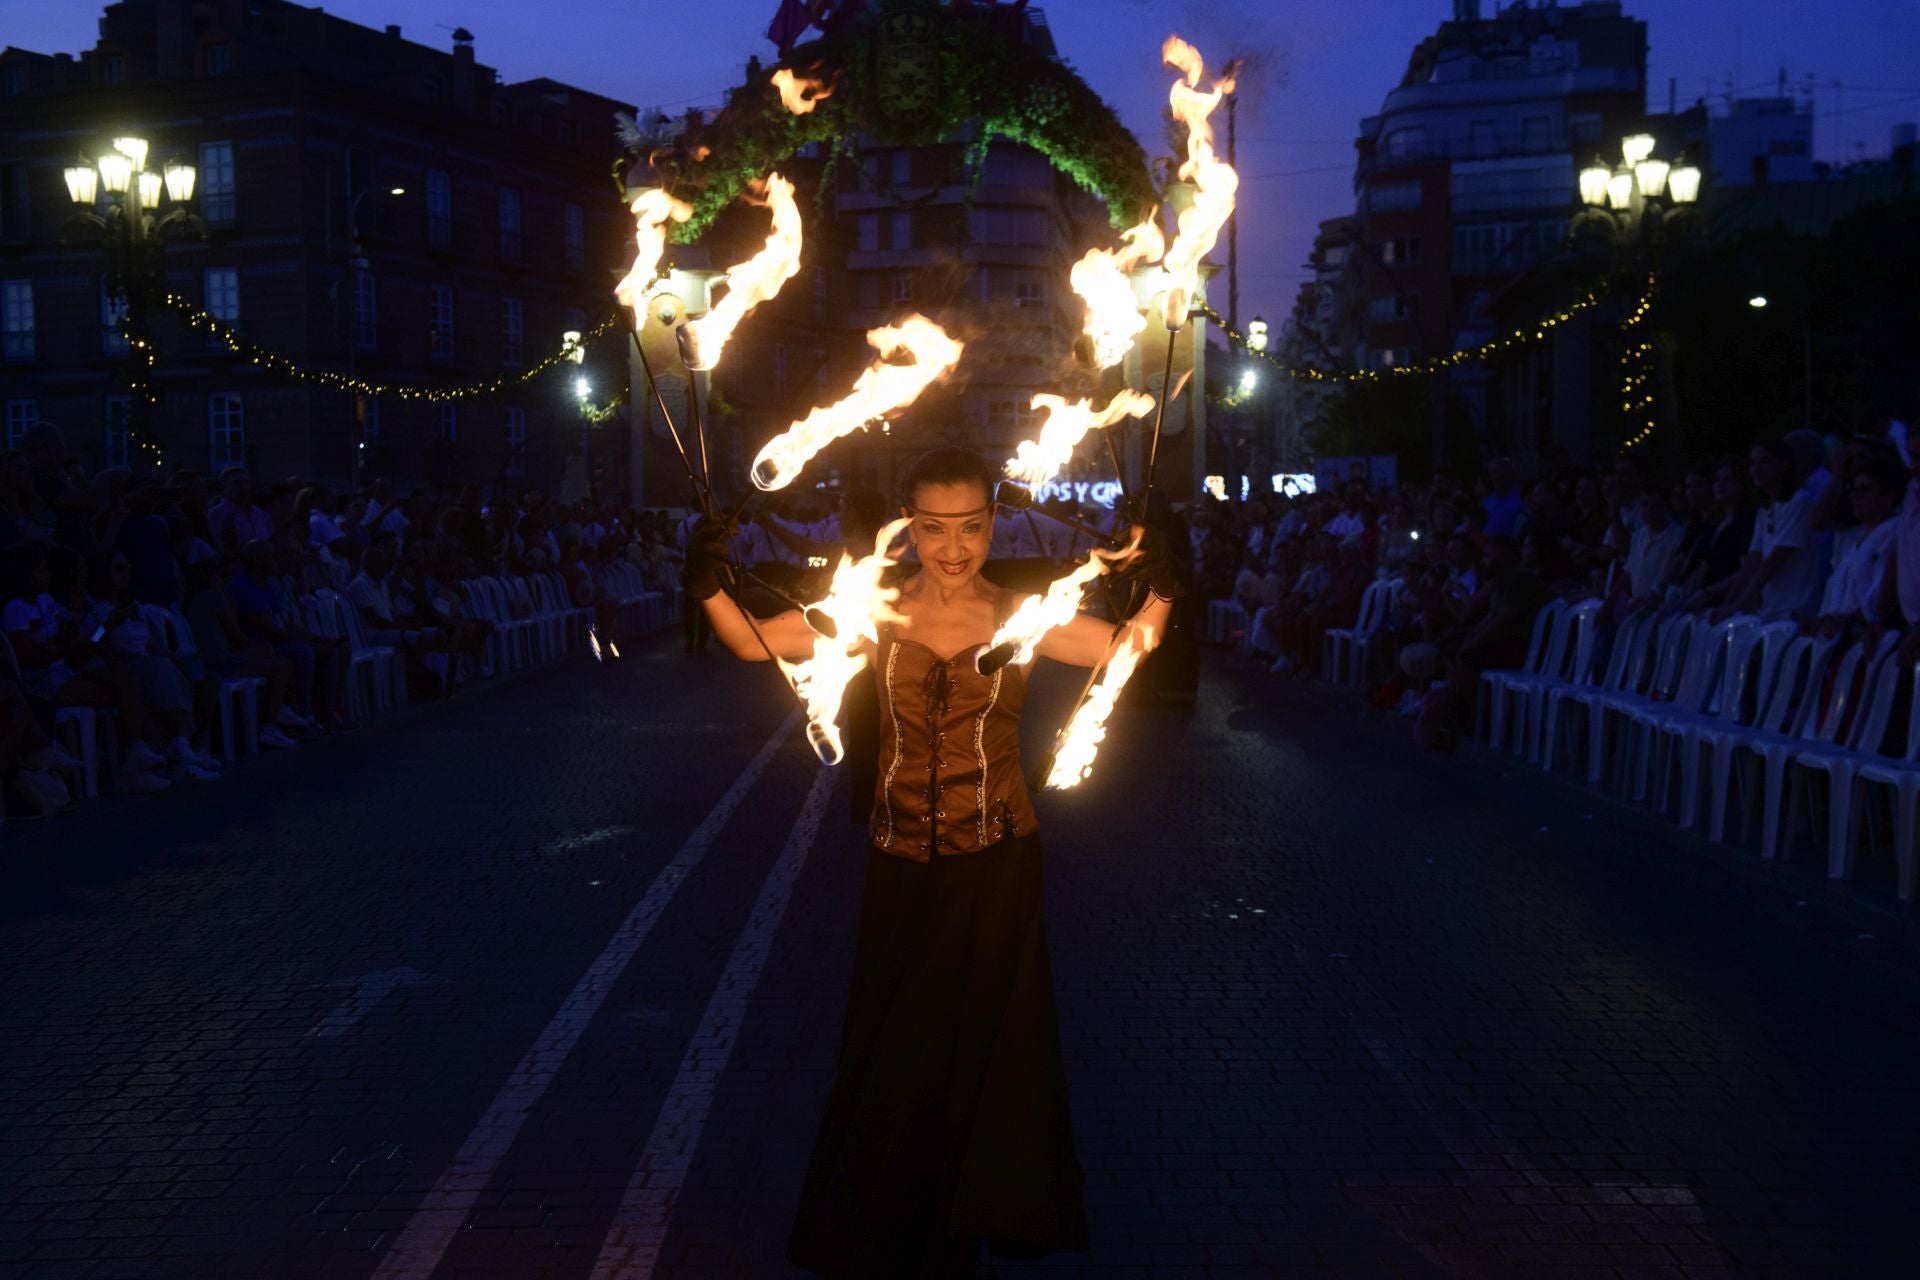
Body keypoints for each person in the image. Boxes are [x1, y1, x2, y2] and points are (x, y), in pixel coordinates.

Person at [690, 446, 1177, 1277]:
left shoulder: (1027, 614)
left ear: (993, 523)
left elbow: (1132, 645)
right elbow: (749, 641)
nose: (954, 547)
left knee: (982, 1059)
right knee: (900, 1054)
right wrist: (705, 577)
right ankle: (901, 1231)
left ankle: (965, 1228)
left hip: (996, 865)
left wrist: (1164, 581)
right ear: (909, 527)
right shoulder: (872, 610)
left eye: (971, 527)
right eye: (935, 528)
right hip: (901, 865)